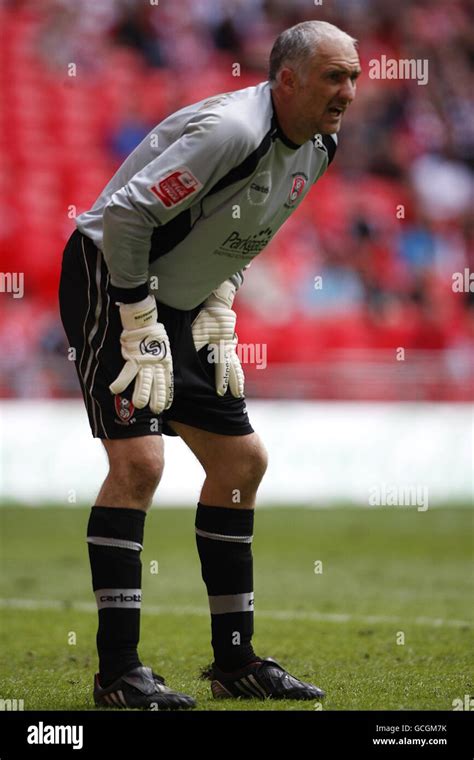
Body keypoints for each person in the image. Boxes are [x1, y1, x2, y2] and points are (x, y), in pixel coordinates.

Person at [59, 19, 361, 709]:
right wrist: (138, 321)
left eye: (353, 76)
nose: (347, 91)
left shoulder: (322, 144)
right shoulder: (229, 131)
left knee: (240, 463)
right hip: (112, 275)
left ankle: (234, 664)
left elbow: (249, 225)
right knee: (140, 465)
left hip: (185, 297)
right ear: (286, 80)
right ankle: (117, 676)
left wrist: (220, 300)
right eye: (332, 77)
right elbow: (125, 221)